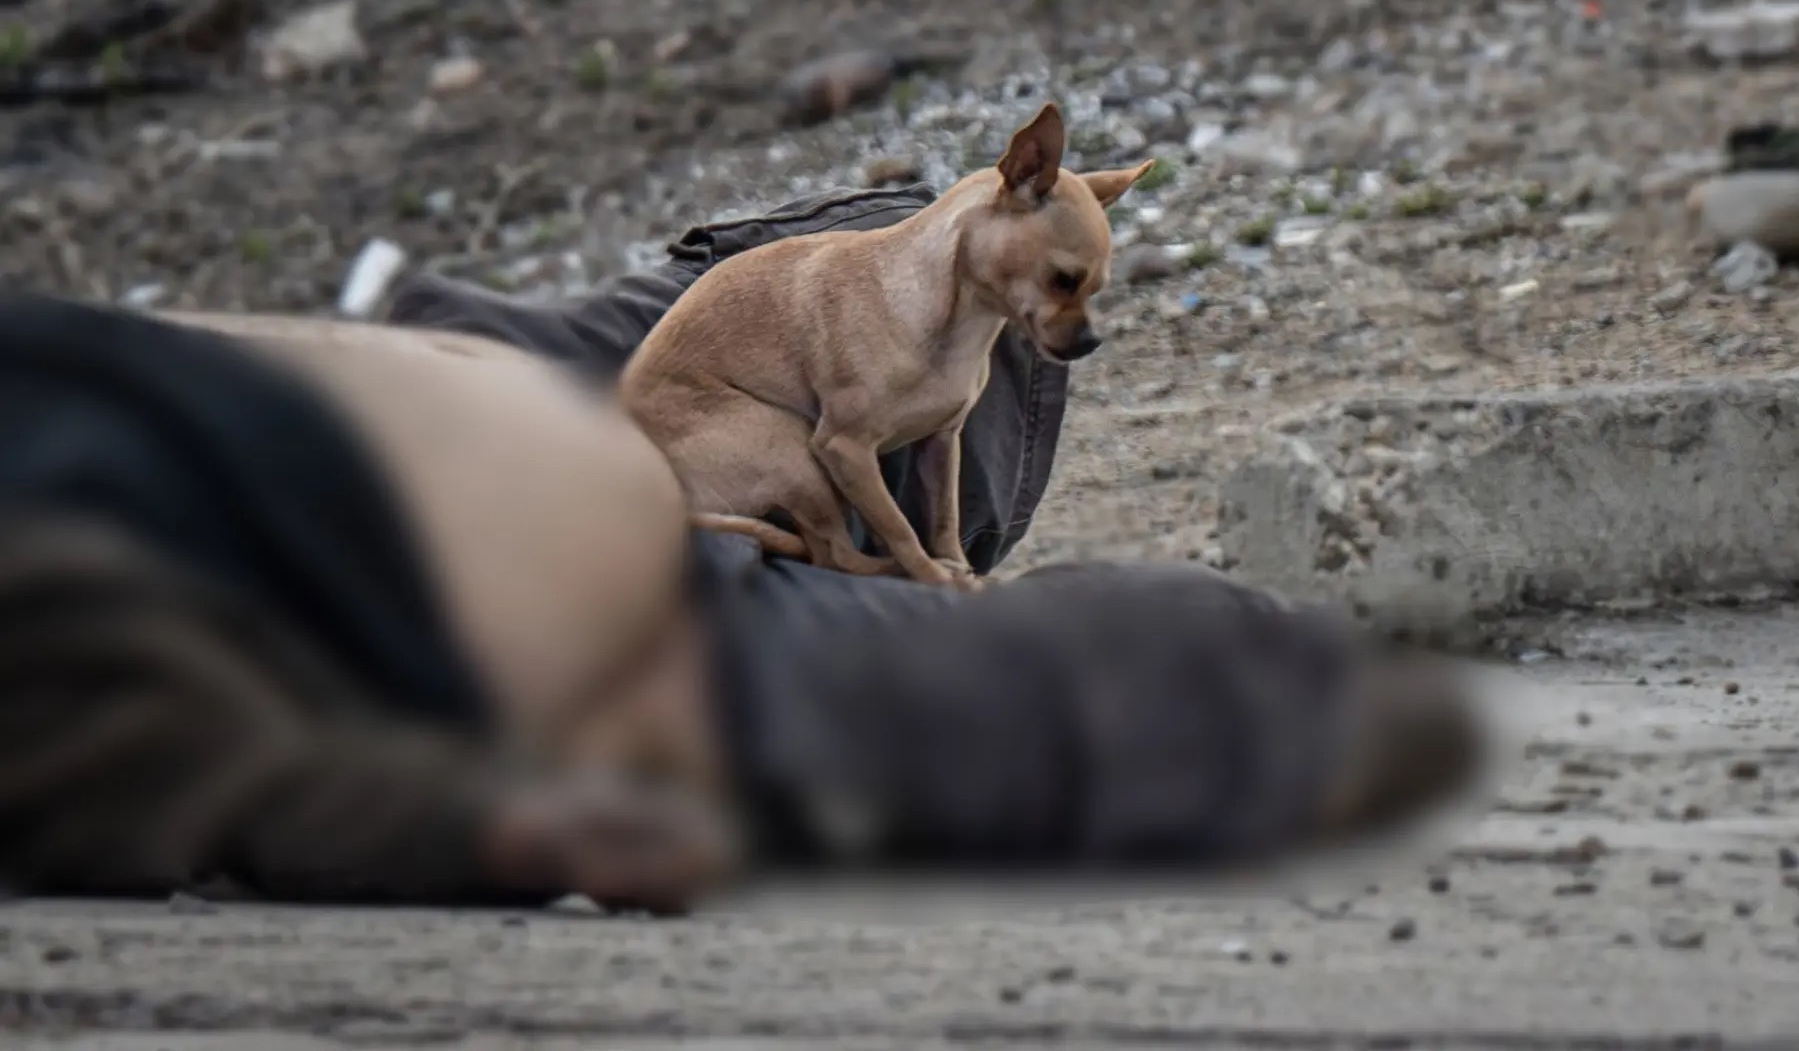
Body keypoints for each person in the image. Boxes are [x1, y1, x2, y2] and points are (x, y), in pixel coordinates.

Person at [0, 184, 1482, 911]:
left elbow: (131, 749)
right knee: (954, 451)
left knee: (900, 364)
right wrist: (443, 827)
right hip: (578, 598)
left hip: (415, 508)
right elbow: (142, 754)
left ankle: (566, 322)